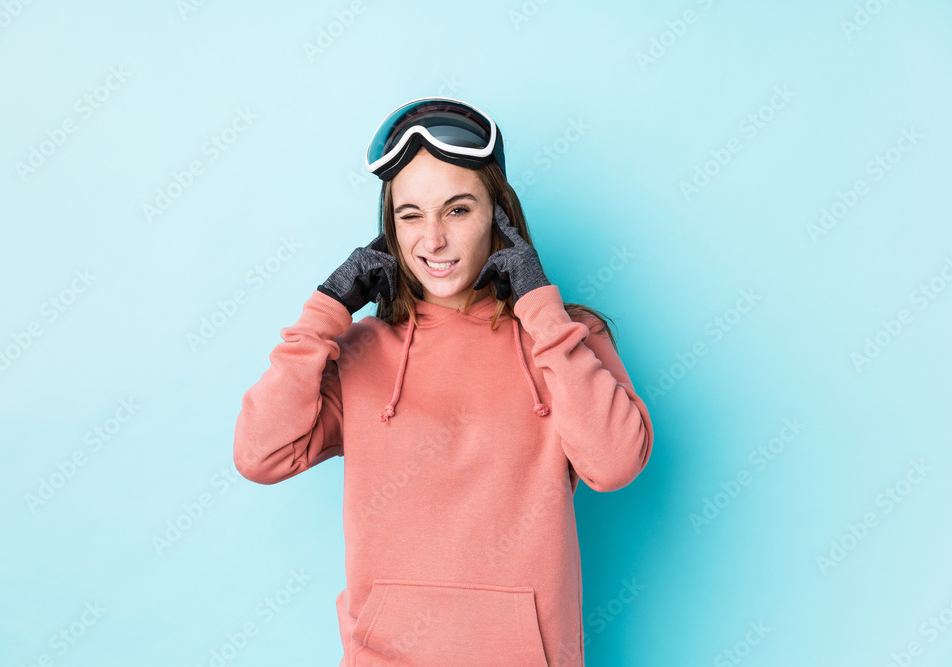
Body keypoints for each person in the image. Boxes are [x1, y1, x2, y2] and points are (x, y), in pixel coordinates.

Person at [233, 97, 654, 666]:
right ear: (390, 232)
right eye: (411, 216)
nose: (432, 239)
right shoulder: (359, 353)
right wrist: (327, 309)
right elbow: (259, 455)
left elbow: (615, 463)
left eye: (457, 211)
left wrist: (539, 307)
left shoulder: (563, 338)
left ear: (499, 218)